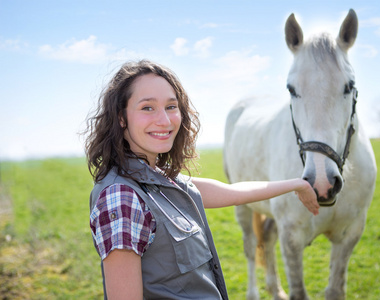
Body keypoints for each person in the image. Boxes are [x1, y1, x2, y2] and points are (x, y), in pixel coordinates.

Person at [84, 59, 319, 300]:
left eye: (171, 106)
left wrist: (296, 184)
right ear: (121, 117)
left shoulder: (159, 182)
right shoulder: (122, 196)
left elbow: (233, 192)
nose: (165, 120)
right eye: (147, 108)